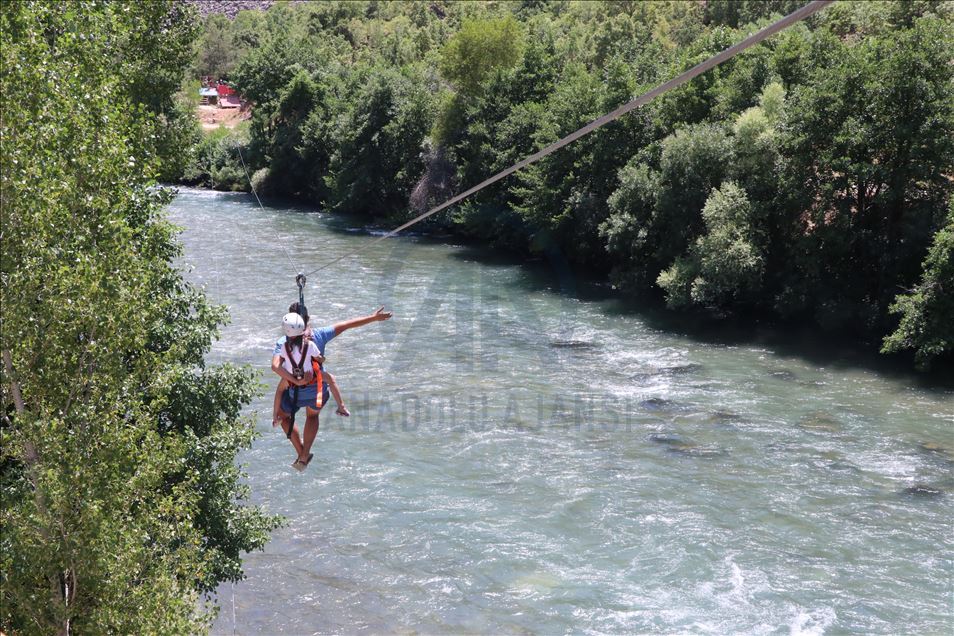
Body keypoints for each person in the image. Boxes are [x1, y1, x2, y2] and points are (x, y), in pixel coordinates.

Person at [272, 304, 392, 470]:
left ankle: (301, 453)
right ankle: (305, 454)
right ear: (308, 320)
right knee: (312, 417)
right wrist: (373, 317)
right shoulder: (320, 335)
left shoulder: (282, 343)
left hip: (295, 392)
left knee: (282, 416)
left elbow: (276, 366)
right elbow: (346, 325)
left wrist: (295, 380)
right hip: (318, 390)